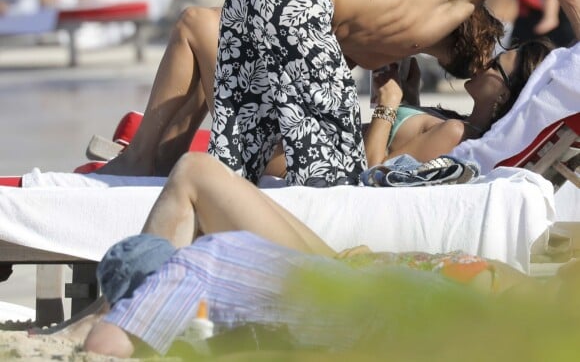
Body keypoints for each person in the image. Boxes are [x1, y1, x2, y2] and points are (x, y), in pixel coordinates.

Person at [98, 0, 580, 183]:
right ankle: (148, 161)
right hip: (297, 3)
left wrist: (396, 102)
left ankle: (148, 158)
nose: (490, 63)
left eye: (502, 63)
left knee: (199, 27)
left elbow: (316, 76)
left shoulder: (403, 18)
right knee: (210, 42)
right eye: (495, 55)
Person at [80, 151, 530, 359]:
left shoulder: (492, 307)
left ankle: (121, 313)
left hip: (339, 280)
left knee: (194, 172)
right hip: (351, 263)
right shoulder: (511, 287)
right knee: (194, 175)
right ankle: (132, 311)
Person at [364, 37, 555, 166]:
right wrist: (411, 97)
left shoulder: (455, 133)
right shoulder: (460, 123)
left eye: (495, 65)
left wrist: (388, 102)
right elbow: (408, 144)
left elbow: (374, 174)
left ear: (504, 96)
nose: (484, 63)